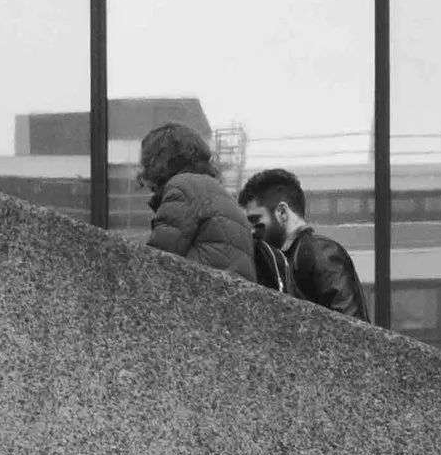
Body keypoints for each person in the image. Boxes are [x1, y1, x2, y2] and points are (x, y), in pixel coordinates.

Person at [239, 166, 370, 319]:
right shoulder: (275, 260)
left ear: (282, 212)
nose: (253, 231)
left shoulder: (322, 254)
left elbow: (351, 324)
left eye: (256, 220)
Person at [139, 121, 260, 284]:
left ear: (158, 160)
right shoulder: (217, 192)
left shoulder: (183, 186)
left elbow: (157, 261)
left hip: (201, 294)